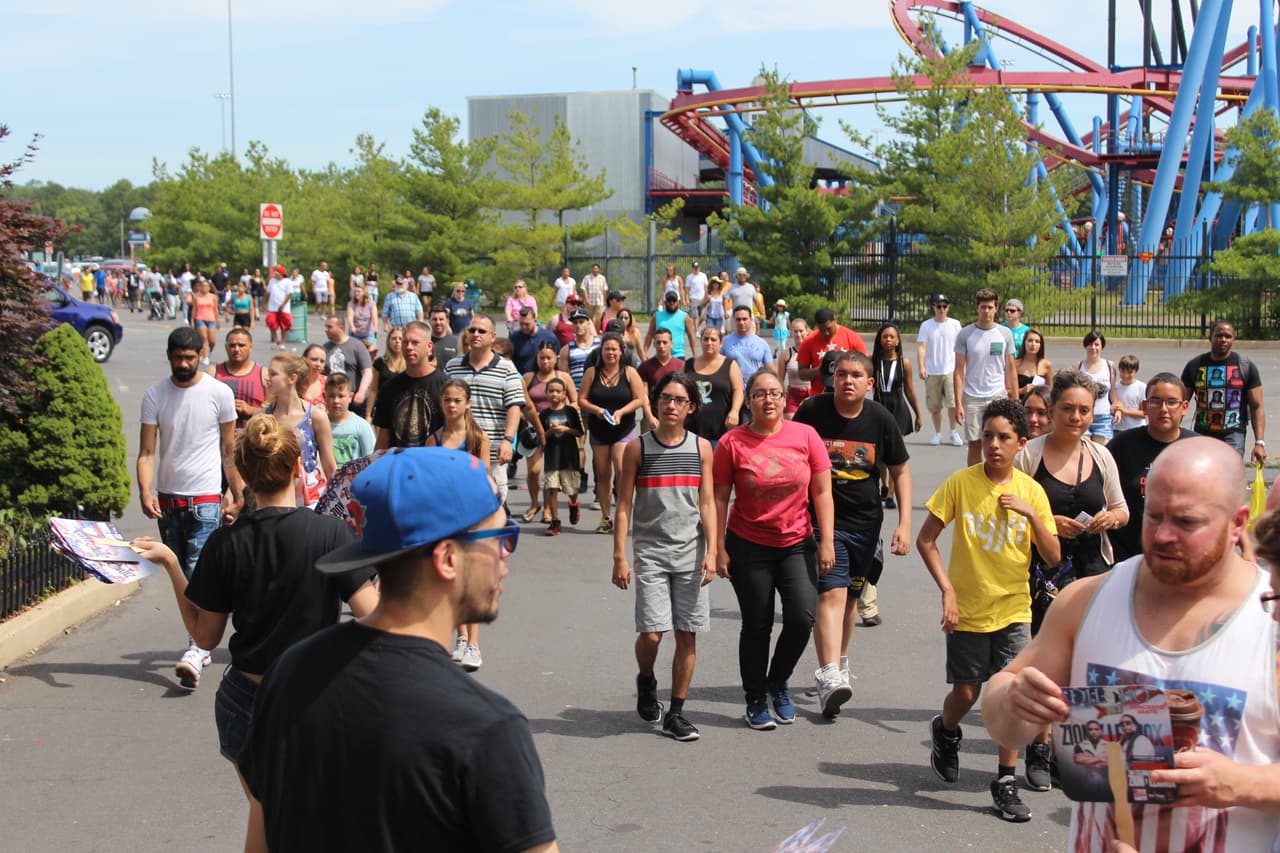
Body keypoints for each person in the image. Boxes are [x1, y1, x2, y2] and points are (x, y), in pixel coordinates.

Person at [237, 448, 559, 853]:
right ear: (446, 558)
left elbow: (259, 841)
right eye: (501, 538)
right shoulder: (485, 727)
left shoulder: (290, 673)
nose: (505, 560)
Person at [983, 437, 1280, 852]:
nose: (1162, 535)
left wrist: (1241, 783)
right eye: (1154, 516)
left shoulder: (1270, 619)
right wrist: (1014, 702)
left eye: (1186, 522)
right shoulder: (1088, 600)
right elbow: (1003, 717)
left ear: (1237, 523)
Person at [135, 414, 376, 757]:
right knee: (307, 808)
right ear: (297, 467)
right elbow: (373, 615)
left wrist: (172, 563)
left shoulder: (224, 543)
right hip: (312, 694)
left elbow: (204, 637)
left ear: (244, 475)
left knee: (262, 807)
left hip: (246, 697)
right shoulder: (331, 534)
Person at [916, 398, 1059, 823]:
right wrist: (947, 590)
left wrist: (1032, 514)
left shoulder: (1032, 491)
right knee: (967, 693)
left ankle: (1005, 781)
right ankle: (945, 731)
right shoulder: (961, 483)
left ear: (1020, 444)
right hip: (969, 610)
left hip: (1015, 608)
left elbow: (1052, 556)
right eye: (989, 436)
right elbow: (926, 540)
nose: (994, 445)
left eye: (1004, 438)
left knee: (1011, 693)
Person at [714, 369, 835, 730]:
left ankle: (778, 680)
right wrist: (718, 547)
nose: (768, 400)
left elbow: (822, 492)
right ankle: (755, 698)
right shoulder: (731, 443)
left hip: (796, 542)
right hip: (748, 543)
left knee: (801, 617)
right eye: (759, 394)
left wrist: (826, 540)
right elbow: (719, 498)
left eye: (775, 393)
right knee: (757, 624)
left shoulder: (806, 435)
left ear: (785, 399)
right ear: (748, 400)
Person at [794, 352, 911, 718]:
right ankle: (828, 673)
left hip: (866, 524)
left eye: (856, 375)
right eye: (841, 374)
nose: (847, 380)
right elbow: (792, 455)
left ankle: (839, 663)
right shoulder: (813, 412)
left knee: (849, 601)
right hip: (822, 524)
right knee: (830, 592)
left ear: (869, 383)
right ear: (832, 378)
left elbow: (901, 471)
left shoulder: (880, 419)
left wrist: (904, 524)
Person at [138, 326, 243, 689]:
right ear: (168, 356)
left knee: (199, 571)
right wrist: (144, 489)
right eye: (177, 357)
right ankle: (199, 643)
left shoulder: (219, 393)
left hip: (205, 500)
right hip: (168, 501)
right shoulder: (155, 396)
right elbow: (148, 451)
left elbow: (228, 451)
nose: (183, 364)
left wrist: (236, 492)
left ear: (201, 355)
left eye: (189, 357)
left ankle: (196, 649)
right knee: (182, 574)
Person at [613, 372, 716, 741]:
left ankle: (676, 712)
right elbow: (624, 504)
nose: (672, 406)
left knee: (687, 635)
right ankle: (646, 679)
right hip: (651, 553)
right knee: (653, 635)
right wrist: (619, 556)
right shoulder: (637, 448)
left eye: (679, 400)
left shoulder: (702, 448)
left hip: (691, 554)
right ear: (656, 403)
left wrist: (714, 551)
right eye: (666, 399)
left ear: (690, 407)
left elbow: (707, 502)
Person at [424, 378, 493, 673]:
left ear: (468, 403)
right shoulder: (434, 439)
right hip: (443, 517)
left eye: (456, 400)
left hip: (471, 516)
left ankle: (474, 643)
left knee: (470, 581)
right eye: (447, 400)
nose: (451, 405)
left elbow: (484, 479)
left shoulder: (478, 438)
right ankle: (461, 638)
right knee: (450, 580)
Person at [1107, 372, 1194, 563]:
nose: (1164, 409)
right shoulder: (1121, 446)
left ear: (1184, 407)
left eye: (1172, 402)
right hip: (1128, 557)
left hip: (1182, 556)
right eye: (1155, 401)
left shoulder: (1199, 448)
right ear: (1144, 407)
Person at [445, 315, 526, 502]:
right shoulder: (452, 367)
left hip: (493, 455)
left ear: (492, 337)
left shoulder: (507, 368)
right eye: (472, 330)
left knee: (493, 512)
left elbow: (514, 407)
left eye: (482, 331)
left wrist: (507, 441)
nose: (476, 334)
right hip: (458, 454)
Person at [579, 333, 648, 534]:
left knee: (621, 469)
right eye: (606, 349)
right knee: (602, 474)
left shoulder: (629, 372)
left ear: (621, 351)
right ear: (601, 351)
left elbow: (640, 398)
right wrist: (597, 410)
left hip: (623, 428)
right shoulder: (592, 372)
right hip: (599, 430)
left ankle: (623, 513)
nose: (610, 353)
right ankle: (605, 517)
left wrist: (622, 412)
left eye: (614, 349)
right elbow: (581, 399)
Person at [1180, 319, 1266, 463]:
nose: (1223, 340)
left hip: (1234, 434)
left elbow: (1257, 406)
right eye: (1219, 336)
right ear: (1210, 338)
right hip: (1202, 433)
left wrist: (1260, 443)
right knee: (1201, 473)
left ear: (1233, 339)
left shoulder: (1245, 366)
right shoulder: (1195, 365)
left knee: (1228, 475)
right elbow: (1180, 402)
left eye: (1228, 336)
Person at [263, 352, 336, 509]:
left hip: (310, 501)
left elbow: (330, 466)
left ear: (292, 378)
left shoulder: (316, 416)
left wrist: (337, 503)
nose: (267, 378)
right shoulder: (263, 418)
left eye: (273, 374)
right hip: (274, 500)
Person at [953, 288, 1018, 466]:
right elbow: (959, 370)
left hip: (997, 394)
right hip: (973, 396)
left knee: (1001, 440)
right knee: (975, 444)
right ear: (977, 308)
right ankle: (974, 482)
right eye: (983, 307)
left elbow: (1011, 368)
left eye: (990, 307)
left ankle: (1000, 475)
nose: (986, 311)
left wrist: (1016, 399)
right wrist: (958, 403)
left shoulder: (1005, 334)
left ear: (996, 308)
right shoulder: (965, 334)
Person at [372, 321, 448, 449]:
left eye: (415, 342)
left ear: (429, 346)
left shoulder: (445, 386)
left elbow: (456, 433)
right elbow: (383, 435)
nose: (409, 347)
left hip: (432, 463)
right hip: (398, 463)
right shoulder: (389, 388)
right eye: (405, 342)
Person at [870, 321, 922, 508]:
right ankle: (884, 484)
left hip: (898, 409)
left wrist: (918, 413)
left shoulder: (904, 363)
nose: (888, 340)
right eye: (885, 336)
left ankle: (891, 495)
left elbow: (910, 390)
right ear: (880, 339)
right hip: (879, 406)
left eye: (892, 336)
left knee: (894, 453)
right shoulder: (873, 360)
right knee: (880, 456)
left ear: (898, 340)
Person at [538, 377, 584, 535]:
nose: (554, 394)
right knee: (552, 489)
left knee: (571, 489)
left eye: (558, 391)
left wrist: (565, 429)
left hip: (569, 458)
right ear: (546, 393)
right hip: (552, 458)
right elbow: (541, 437)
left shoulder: (570, 411)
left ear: (564, 393)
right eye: (551, 391)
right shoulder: (544, 414)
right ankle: (555, 521)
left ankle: (573, 503)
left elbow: (579, 432)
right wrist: (550, 431)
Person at [687, 326, 744, 445]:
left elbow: (738, 390)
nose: (709, 343)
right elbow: (677, 388)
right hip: (691, 430)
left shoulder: (730, 365)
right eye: (705, 339)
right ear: (700, 341)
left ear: (721, 343)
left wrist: (734, 411)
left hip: (720, 430)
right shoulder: (688, 365)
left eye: (713, 339)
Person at [796, 307, 868, 397]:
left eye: (829, 328)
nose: (826, 333)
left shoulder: (852, 337)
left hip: (848, 396)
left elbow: (865, 367)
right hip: (820, 397)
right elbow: (801, 374)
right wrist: (817, 371)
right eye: (822, 330)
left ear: (835, 320)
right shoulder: (808, 341)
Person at [210, 328, 267, 429]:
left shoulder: (264, 375)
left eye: (241, 345)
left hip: (252, 439)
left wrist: (251, 410)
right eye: (232, 345)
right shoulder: (212, 373)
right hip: (219, 438)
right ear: (226, 347)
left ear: (251, 347)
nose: (236, 349)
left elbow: (273, 412)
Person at [323, 314, 374, 419]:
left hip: (353, 398)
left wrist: (361, 392)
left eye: (329, 327)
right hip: (332, 399)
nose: (325, 329)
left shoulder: (356, 345)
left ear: (340, 328)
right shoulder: (325, 348)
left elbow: (367, 372)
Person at [324, 374, 376, 466]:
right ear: (324, 396)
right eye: (331, 396)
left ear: (350, 397)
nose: (336, 401)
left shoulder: (361, 426)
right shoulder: (320, 425)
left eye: (341, 396)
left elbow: (371, 459)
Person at [1078, 331, 1118, 445]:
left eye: (1096, 344)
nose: (1093, 348)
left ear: (1102, 346)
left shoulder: (1109, 366)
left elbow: (1113, 392)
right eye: (1090, 344)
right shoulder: (1078, 366)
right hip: (1084, 415)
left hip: (1103, 416)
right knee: (1083, 449)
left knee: (1102, 452)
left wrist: (1117, 407)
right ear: (1085, 346)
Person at [722, 306, 774, 384]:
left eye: (744, 319)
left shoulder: (762, 343)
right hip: (731, 388)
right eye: (738, 319)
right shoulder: (724, 342)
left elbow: (770, 369)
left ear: (751, 319)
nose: (741, 322)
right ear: (734, 320)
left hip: (755, 388)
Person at [367, 325, 405, 422]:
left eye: (400, 339)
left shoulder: (410, 363)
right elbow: (373, 390)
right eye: (394, 338)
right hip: (382, 410)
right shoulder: (380, 363)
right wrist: (368, 415)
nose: (397, 341)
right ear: (388, 341)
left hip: (403, 410)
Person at [645, 290, 696, 361]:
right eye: (669, 300)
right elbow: (650, 334)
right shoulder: (657, 316)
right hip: (661, 355)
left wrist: (695, 354)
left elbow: (691, 336)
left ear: (678, 302)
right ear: (665, 302)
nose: (671, 303)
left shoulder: (685, 317)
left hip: (678, 356)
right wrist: (645, 352)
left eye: (674, 300)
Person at [509, 306, 560, 375]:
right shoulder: (514, 338)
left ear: (535, 321)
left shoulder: (549, 337)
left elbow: (557, 360)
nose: (524, 327)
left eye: (527, 324)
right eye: (521, 324)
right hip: (521, 380)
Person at [558, 308, 600, 390]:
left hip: (598, 390)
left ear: (588, 323)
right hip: (577, 391)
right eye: (575, 322)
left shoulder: (600, 344)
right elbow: (564, 377)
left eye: (581, 322)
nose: (578, 325)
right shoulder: (566, 350)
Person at [780, 317, 810, 419]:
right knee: (792, 426)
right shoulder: (786, 354)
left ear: (807, 331)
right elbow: (780, 380)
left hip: (812, 394)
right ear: (791, 332)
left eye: (801, 331)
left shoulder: (815, 352)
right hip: (793, 396)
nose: (798, 334)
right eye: (795, 331)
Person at [636, 327, 685, 392]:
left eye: (665, 342)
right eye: (658, 342)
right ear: (654, 344)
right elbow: (642, 392)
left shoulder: (681, 365)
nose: (661, 346)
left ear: (671, 344)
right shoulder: (645, 366)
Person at [1111, 354, 1147, 432]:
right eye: (1123, 372)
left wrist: (1124, 410)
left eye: (1130, 372)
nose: (1126, 375)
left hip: (1137, 429)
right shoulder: (1115, 387)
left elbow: (1144, 414)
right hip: (1118, 429)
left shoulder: (1142, 388)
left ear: (1136, 371)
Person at [189, 277, 220, 365]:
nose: (204, 288)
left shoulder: (213, 297)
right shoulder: (196, 296)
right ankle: (205, 356)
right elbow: (194, 309)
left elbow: (215, 309)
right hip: (200, 318)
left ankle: (210, 352)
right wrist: (192, 320)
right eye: (202, 286)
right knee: (204, 338)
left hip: (211, 319)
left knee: (212, 341)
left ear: (209, 287)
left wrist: (217, 321)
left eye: (206, 286)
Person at [1014, 329, 1052, 400]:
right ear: (1024, 342)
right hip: (1020, 403)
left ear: (1041, 345)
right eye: (1030, 341)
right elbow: (1007, 391)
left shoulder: (1046, 364)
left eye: (1037, 341)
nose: (1033, 344)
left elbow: (1050, 390)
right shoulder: (1015, 364)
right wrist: (1022, 390)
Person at [264, 268, 293, 349]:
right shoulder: (272, 281)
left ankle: (283, 342)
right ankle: (276, 340)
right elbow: (267, 293)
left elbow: (289, 294)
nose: (275, 274)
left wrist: (283, 304)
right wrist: (264, 303)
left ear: (281, 274)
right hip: (272, 307)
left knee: (284, 325)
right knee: (270, 322)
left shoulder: (287, 282)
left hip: (284, 308)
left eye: (277, 273)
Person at [346, 283, 378, 348]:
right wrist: (352, 327)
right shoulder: (351, 304)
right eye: (355, 291)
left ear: (364, 292)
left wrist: (375, 327)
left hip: (368, 333)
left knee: (371, 350)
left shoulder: (371, 304)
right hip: (355, 333)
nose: (356, 293)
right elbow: (350, 317)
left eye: (358, 291)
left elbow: (374, 317)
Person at [300, 344, 328, 412]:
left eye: (322, 361)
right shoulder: (295, 382)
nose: (318, 364)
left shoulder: (328, 383)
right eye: (314, 359)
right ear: (304, 360)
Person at [686, 261, 708, 327]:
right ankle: (697, 330)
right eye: (695, 268)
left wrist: (706, 297)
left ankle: (697, 327)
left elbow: (706, 287)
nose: (696, 269)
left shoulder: (703, 275)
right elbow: (687, 289)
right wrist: (687, 299)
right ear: (693, 268)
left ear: (699, 268)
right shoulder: (689, 277)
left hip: (702, 298)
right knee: (695, 316)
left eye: (697, 267)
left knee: (703, 316)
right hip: (694, 298)